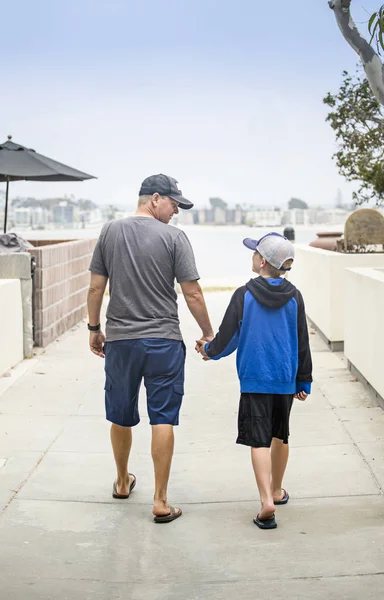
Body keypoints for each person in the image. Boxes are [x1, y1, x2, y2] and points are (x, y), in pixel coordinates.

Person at [87, 174, 214, 523]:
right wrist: (208, 332)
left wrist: (95, 328)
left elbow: (96, 287)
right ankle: (160, 500)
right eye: (174, 204)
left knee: (120, 413)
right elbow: (192, 293)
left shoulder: (110, 231)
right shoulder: (175, 238)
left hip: (121, 340)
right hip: (163, 342)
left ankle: (121, 481)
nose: (176, 212)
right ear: (155, 198)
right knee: (163, 417)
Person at [196, 233, 312, 529]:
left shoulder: (244, 295)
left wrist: (209, 350)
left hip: (254, 379)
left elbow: (228, 336)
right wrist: (304, 380)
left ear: (261, 261)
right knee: (280, 435)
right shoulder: (295, 296)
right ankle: (277, 489)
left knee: (258, 440)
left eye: (253, 253)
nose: (250, 257)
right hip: (284, 379)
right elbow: (302, 340)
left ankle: (266, 502)